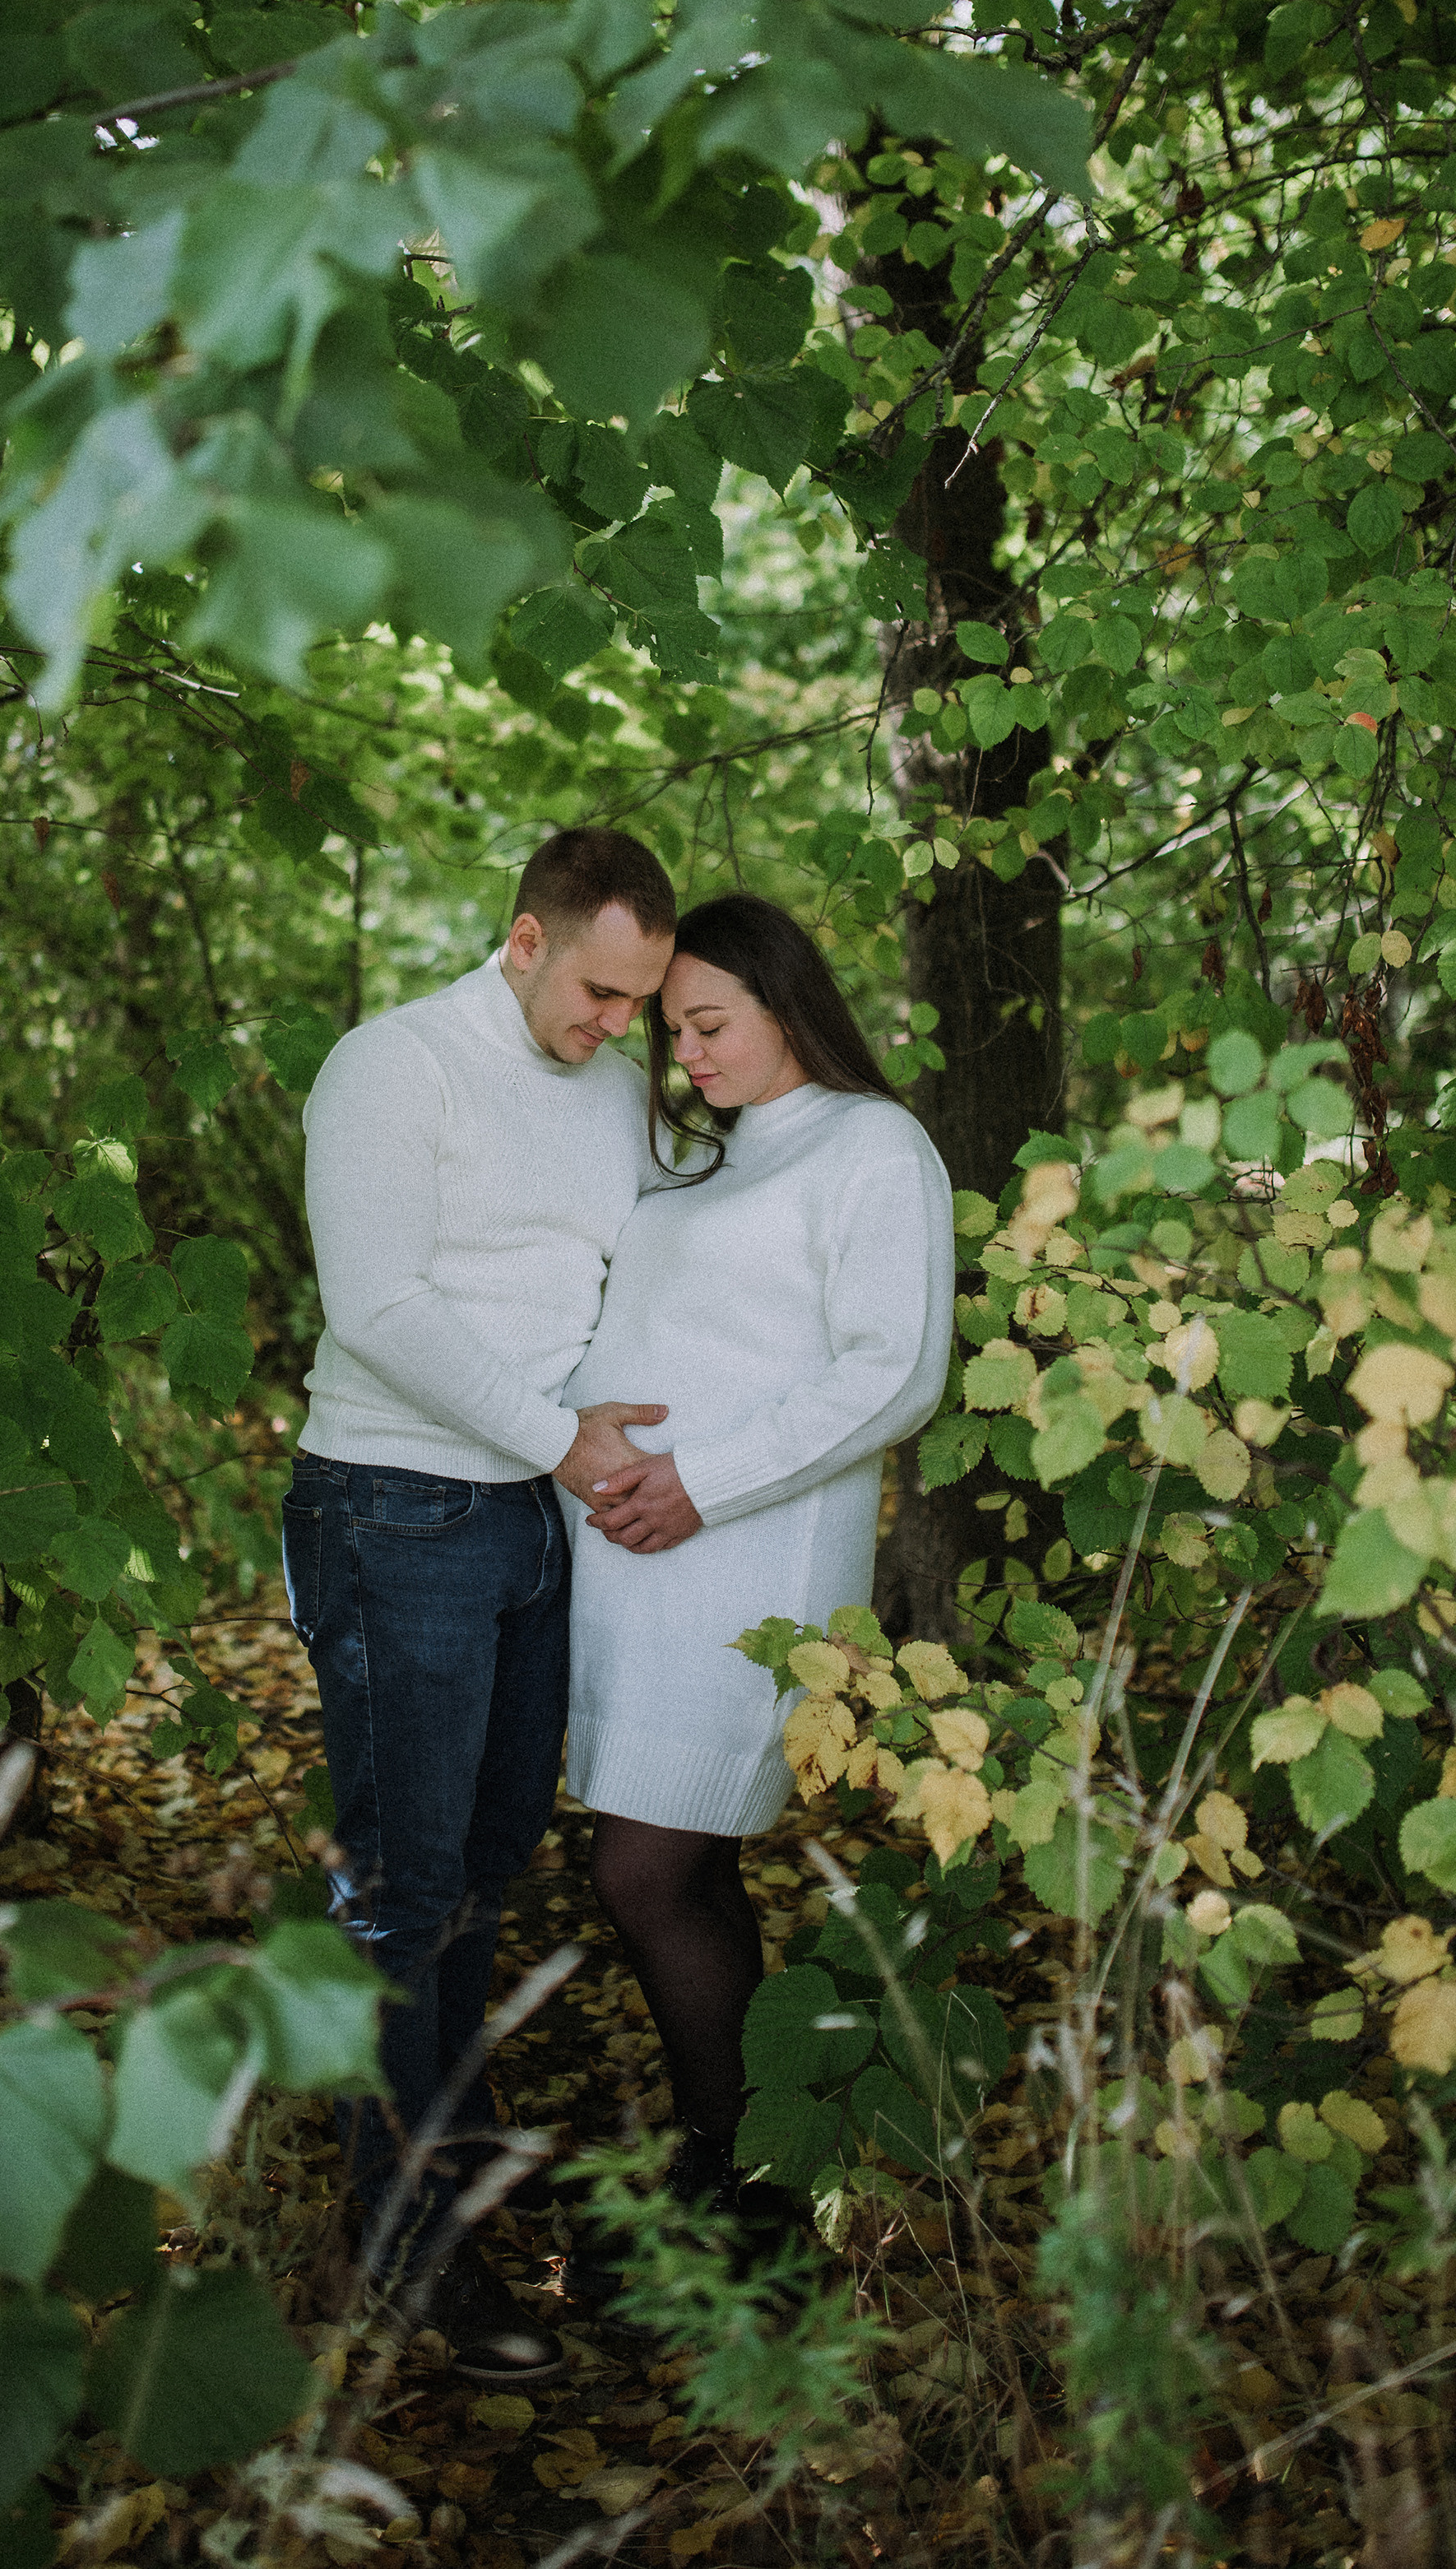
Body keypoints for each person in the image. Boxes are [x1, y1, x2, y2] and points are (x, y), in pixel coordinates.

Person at [284, 825, 678, 2383]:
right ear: (526, 939)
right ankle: (406, 2254)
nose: (616, 1026)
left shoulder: (612, 1095)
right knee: (402, 1884)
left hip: (533, 1522)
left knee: (483, 1877)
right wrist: (563, 1443)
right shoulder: (393, 1068)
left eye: (642, 1001)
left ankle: (433, 2174)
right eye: (598, 991)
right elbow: (376, 1305)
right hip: (395, 1504)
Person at [554, 894, 954, 2288]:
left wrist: (702, 1480)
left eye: (710, 1024)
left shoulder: (871, 1146)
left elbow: (892, 1368)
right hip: (636, 1573)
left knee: (646, 1866)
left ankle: (747, 2198)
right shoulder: (712, 1163)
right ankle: (741, 2169)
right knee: (686, 1866)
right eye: (674, 1034)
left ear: (790, 1003)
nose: (690, 1057)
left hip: (745, 1564)